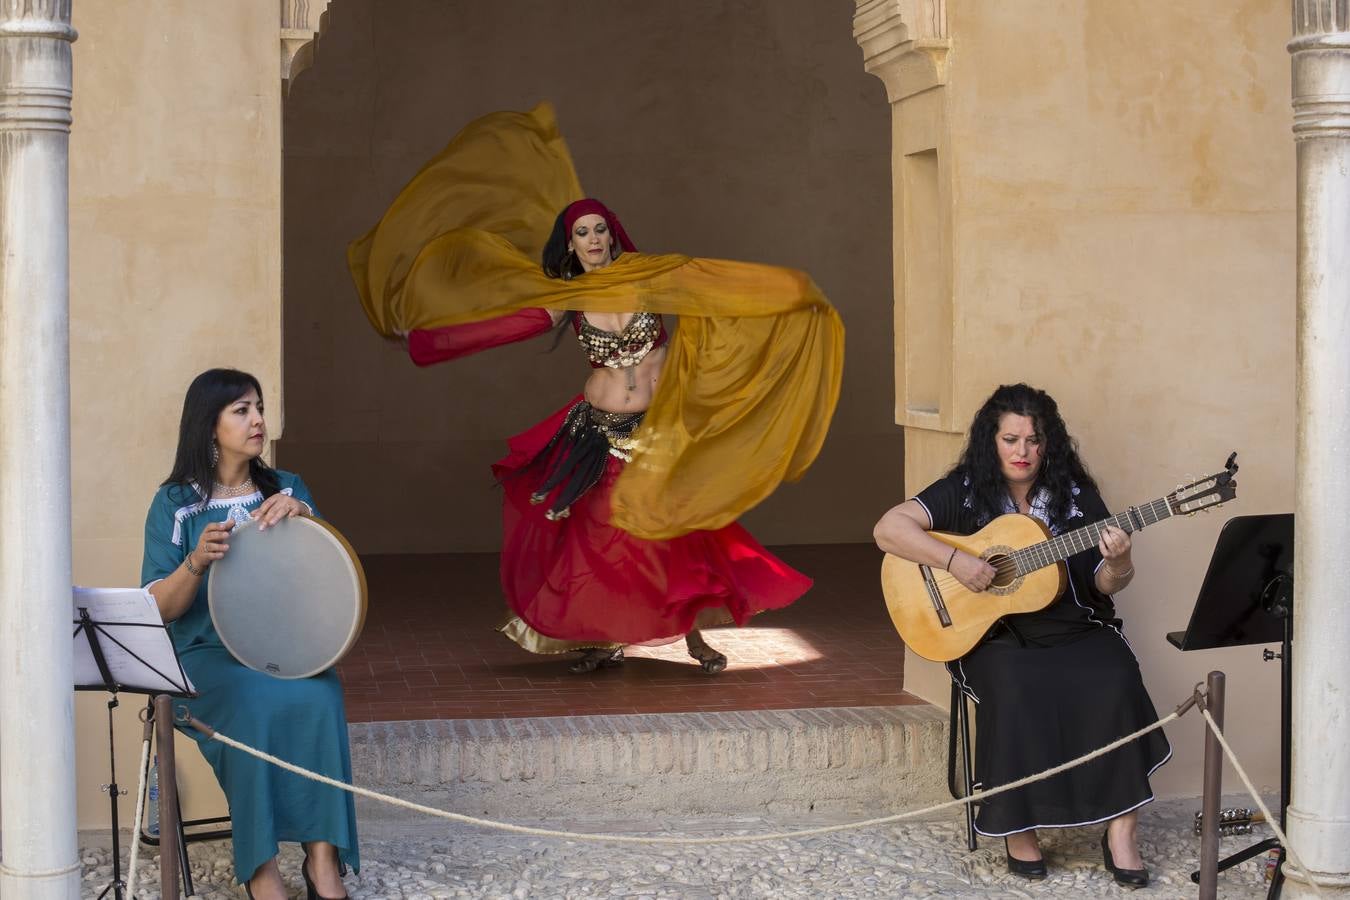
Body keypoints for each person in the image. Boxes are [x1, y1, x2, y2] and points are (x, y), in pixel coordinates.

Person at [402, 198, 814, 673]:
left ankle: (692, 637)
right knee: (602, 542)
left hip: (657, 431)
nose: (594, 239)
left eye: (600, 229)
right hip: (597, 433)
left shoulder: (647, 279)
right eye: (583, 232)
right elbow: (504, 328)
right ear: (570, 243)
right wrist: (426, 341)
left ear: (613, 236)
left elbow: (716, 289)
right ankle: (606, 636)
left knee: (671, 534)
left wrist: (783, 294)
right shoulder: (568, 297)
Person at [872, 383, 1169, 886]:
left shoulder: (1076, 497)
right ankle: (1020, 828)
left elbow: (1103, 583)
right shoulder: (966, 489)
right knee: (1014, 684)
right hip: (994, 636)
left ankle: (1121, 830)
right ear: (992, 440)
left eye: (1033, 440)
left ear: (1048, 443)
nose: (1022, 452)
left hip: (1072, 626)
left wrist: (1121, 560)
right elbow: (887, 530)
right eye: (1011, 440)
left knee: (1115, 674)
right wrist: (956, 561)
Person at [141, 368, 358, 900]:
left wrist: (305, 516)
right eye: (242, 410)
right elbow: (157, 609)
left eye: (258, 407)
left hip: (278, 646)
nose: (258, 419)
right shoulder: (176, 503)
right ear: (209, 425)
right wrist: (196, 561)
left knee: (320, 695)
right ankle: (261, 870)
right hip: (203, 656)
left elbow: (327, 573)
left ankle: (322, 864)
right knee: (253, 706)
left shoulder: (286, 488)